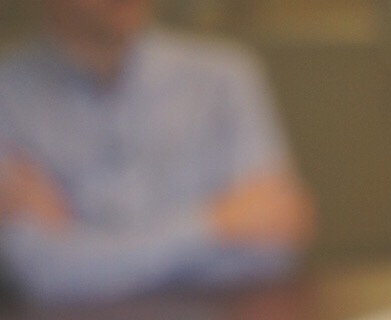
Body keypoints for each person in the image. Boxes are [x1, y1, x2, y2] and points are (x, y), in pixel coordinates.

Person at [0, 0, 311, 304]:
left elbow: (269, 248)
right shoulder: (9, 95)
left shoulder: (223, 78)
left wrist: (88, 251)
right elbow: (44, 274)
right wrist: (214, 225)